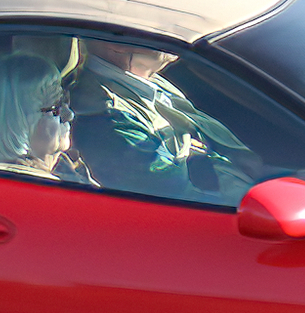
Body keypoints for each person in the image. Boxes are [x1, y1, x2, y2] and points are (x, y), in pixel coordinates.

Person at [66, 40, 252, 202]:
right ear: (117, 44)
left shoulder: (142, 81)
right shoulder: (108, 119)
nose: (176, 31)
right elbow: (183, 201)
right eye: (156, 27)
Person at [0, 40, 93, 184]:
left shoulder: (64, 165)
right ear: (15, 123)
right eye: (55, 109)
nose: (69, 115)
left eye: (65, 102)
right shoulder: (23, 184)